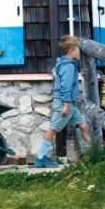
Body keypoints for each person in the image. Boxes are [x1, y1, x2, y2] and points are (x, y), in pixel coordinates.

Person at [34, 35, 89, 168]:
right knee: (53, 128)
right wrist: (65, 105)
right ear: (71, 51)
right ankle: (41, 157)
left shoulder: (63, 63)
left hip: (70, 103)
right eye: (78, 50)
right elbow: (66, 86)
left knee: (83, 126)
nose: (79, 53)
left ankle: (94, 152)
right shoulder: (68, 66)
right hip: (65, 103)